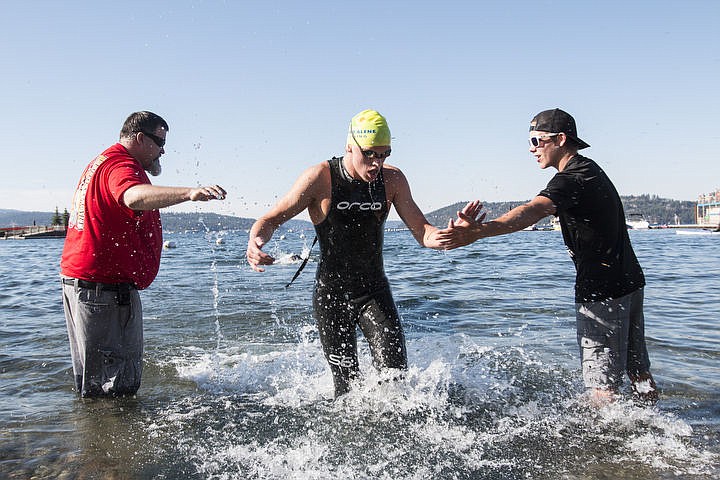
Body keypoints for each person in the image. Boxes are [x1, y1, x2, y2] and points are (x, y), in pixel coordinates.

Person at [438, 108, 658, 405]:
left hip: (602, 291)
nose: (531, 149)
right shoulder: (590, 169)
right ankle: (652, 418)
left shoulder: (571, 178)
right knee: (638, 371)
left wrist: (478, 232)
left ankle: (605, 442)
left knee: (602, 387)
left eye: (536, 141)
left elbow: (533, 210)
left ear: (561, 139)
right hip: (630, 282)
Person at [246, 109, 463, 397]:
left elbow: (423, 231)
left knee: (396, 380)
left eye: (384, 154)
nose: (377, 163)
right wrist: (255, 241)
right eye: (370, 154)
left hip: (374, 292)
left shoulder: (393, 180)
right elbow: (270, 219)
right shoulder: (320, 177)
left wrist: (449, 236)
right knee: (347, 390)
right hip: (332, 296)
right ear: (350, 146)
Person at [60, 111, 226, 398]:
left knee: (96, 383)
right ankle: (110, 441)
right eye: (159, 142)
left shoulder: (101, 163)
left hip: (87, 286)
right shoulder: (121, 165)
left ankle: (97, 438)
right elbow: (133, 196)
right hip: (104, 291)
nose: (162, 151)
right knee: (115, 388)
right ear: (139, 138)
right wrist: (189, 193)